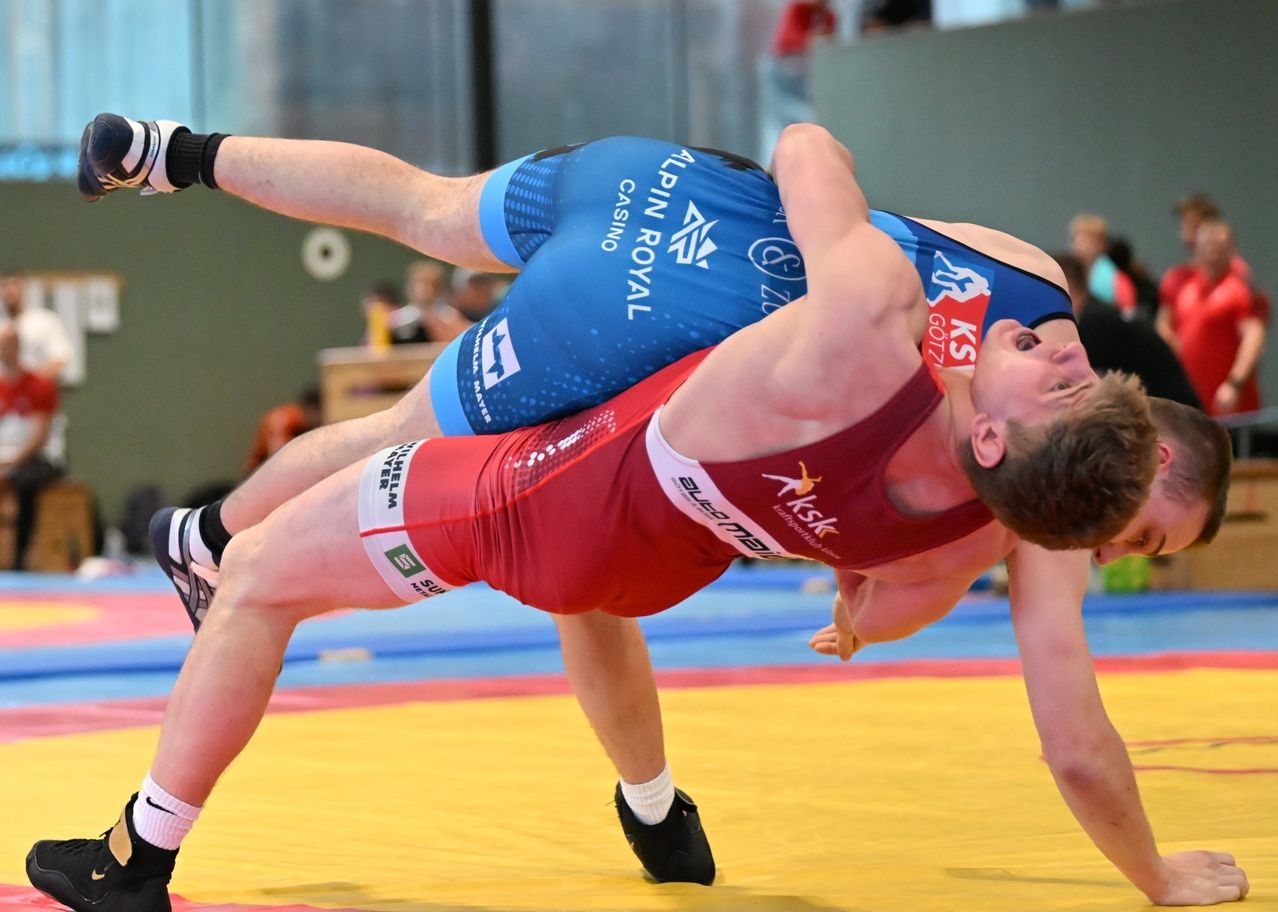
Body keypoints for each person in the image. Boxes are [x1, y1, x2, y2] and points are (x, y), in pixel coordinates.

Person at [60, 117, 1236, 900]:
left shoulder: (1005, 294)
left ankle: (179, 154)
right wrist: (1157, 877)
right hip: (652, 366)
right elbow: (1048, 718)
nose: (1119, 542)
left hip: (674, 210)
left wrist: (903, 285)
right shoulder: (990, 493)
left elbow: (809, 147)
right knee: (411, 471)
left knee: (425, 213)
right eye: (1136, 527)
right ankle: (217, 547)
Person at [1052, 253, 1201, 409]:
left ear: (1065, 282)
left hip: (1171, 410)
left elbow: (1089, 384)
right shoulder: (1097, 312)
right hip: (1171, 404)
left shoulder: (1094, 320)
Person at [1157, 219, 1267, 417]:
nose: (1211, 251)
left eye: (1218, 245)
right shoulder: (1187, 287)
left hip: (1227, 403)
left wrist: (1235, 383)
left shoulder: (1240, 289)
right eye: (1206, 245)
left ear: (1230, 249)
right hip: (1192, 402)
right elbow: (1166, 325)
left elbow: (1254, 336)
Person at [0, 324, 63, 569]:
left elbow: (39, 438)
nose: (5, 349)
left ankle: (20, 558)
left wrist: (10, 465)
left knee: (23, 482)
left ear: (18, 346)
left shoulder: (39, 386)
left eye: (9, 343)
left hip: (39, 460)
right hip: (6, 459)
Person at [243, 388, 322, 475]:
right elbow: (278, 457)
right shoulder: (285, 417)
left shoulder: (302, 424)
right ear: (312, 409)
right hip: (259, 472)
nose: (319, 418)